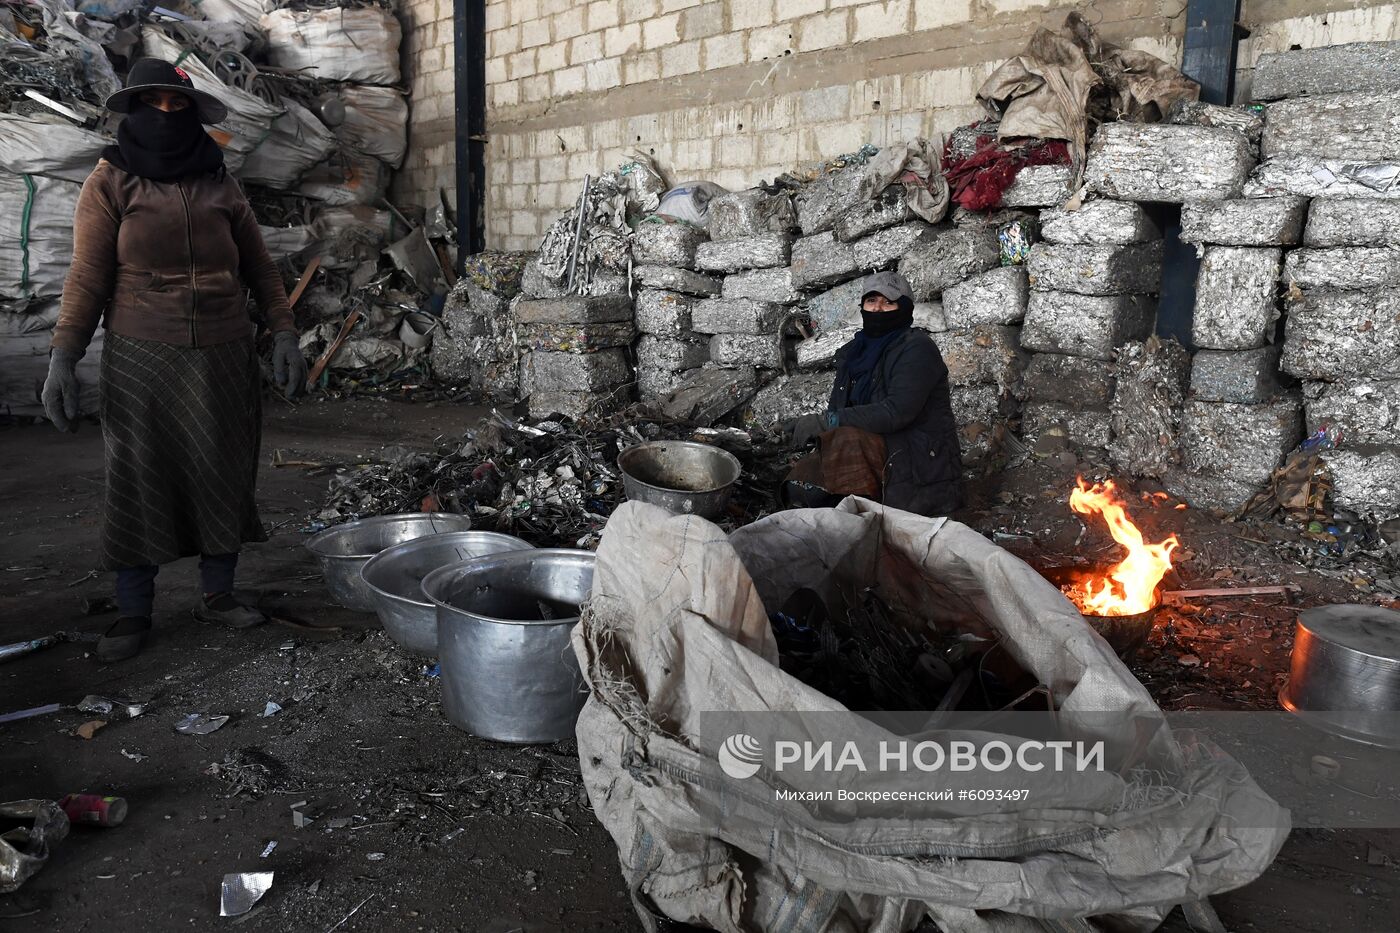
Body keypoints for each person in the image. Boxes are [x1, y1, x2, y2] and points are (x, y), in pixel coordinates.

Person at [40, 59, 309, 662]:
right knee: (141, 474)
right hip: (142, 351)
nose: (166, 114)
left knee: (223, 468)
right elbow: (87, 275)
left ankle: (219, 593)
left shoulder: (220, 180)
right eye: (153, 103)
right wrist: (64, 355)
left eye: (178, 104)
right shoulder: (110, 182)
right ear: (133, 111)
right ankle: (134, 609)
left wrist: (285, 333)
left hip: (223, 348)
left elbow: (260, 267)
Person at [780, 271, 963, 516]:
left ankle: (862, 512)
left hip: (916, 468)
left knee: (844, 447)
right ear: (863, 306)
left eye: (889, 302)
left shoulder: (917, 348)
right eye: (871, 301)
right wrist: (809, 429)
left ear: (905, 309)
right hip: (875, 455)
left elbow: (896, 412)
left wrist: (828, 421)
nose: (877, 309)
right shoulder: (852, 354)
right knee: (798, 491)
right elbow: (840, 410)